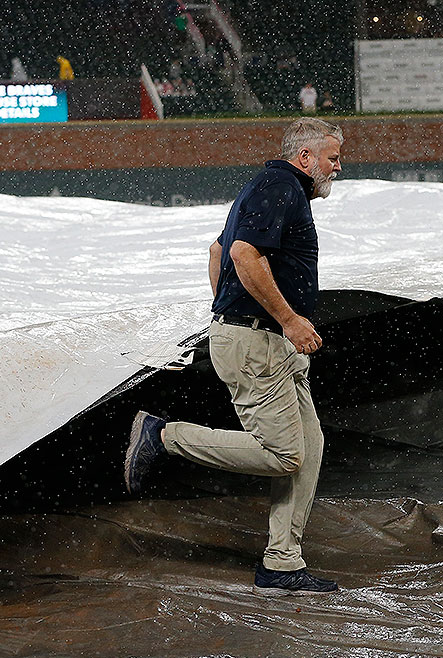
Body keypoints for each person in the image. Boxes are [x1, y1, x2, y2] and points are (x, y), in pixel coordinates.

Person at [124, 118, 343, 596]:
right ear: (304, 157)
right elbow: (242, 254)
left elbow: (216, 251)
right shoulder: (280, 185)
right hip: (261, 343)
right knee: (285, 454)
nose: (337, 166)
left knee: (310, 449)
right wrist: (276, 320)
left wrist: (231, 314)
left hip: (266, 343)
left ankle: (282, 563)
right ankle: (164, 437)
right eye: (331, 157)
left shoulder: (270, 189)